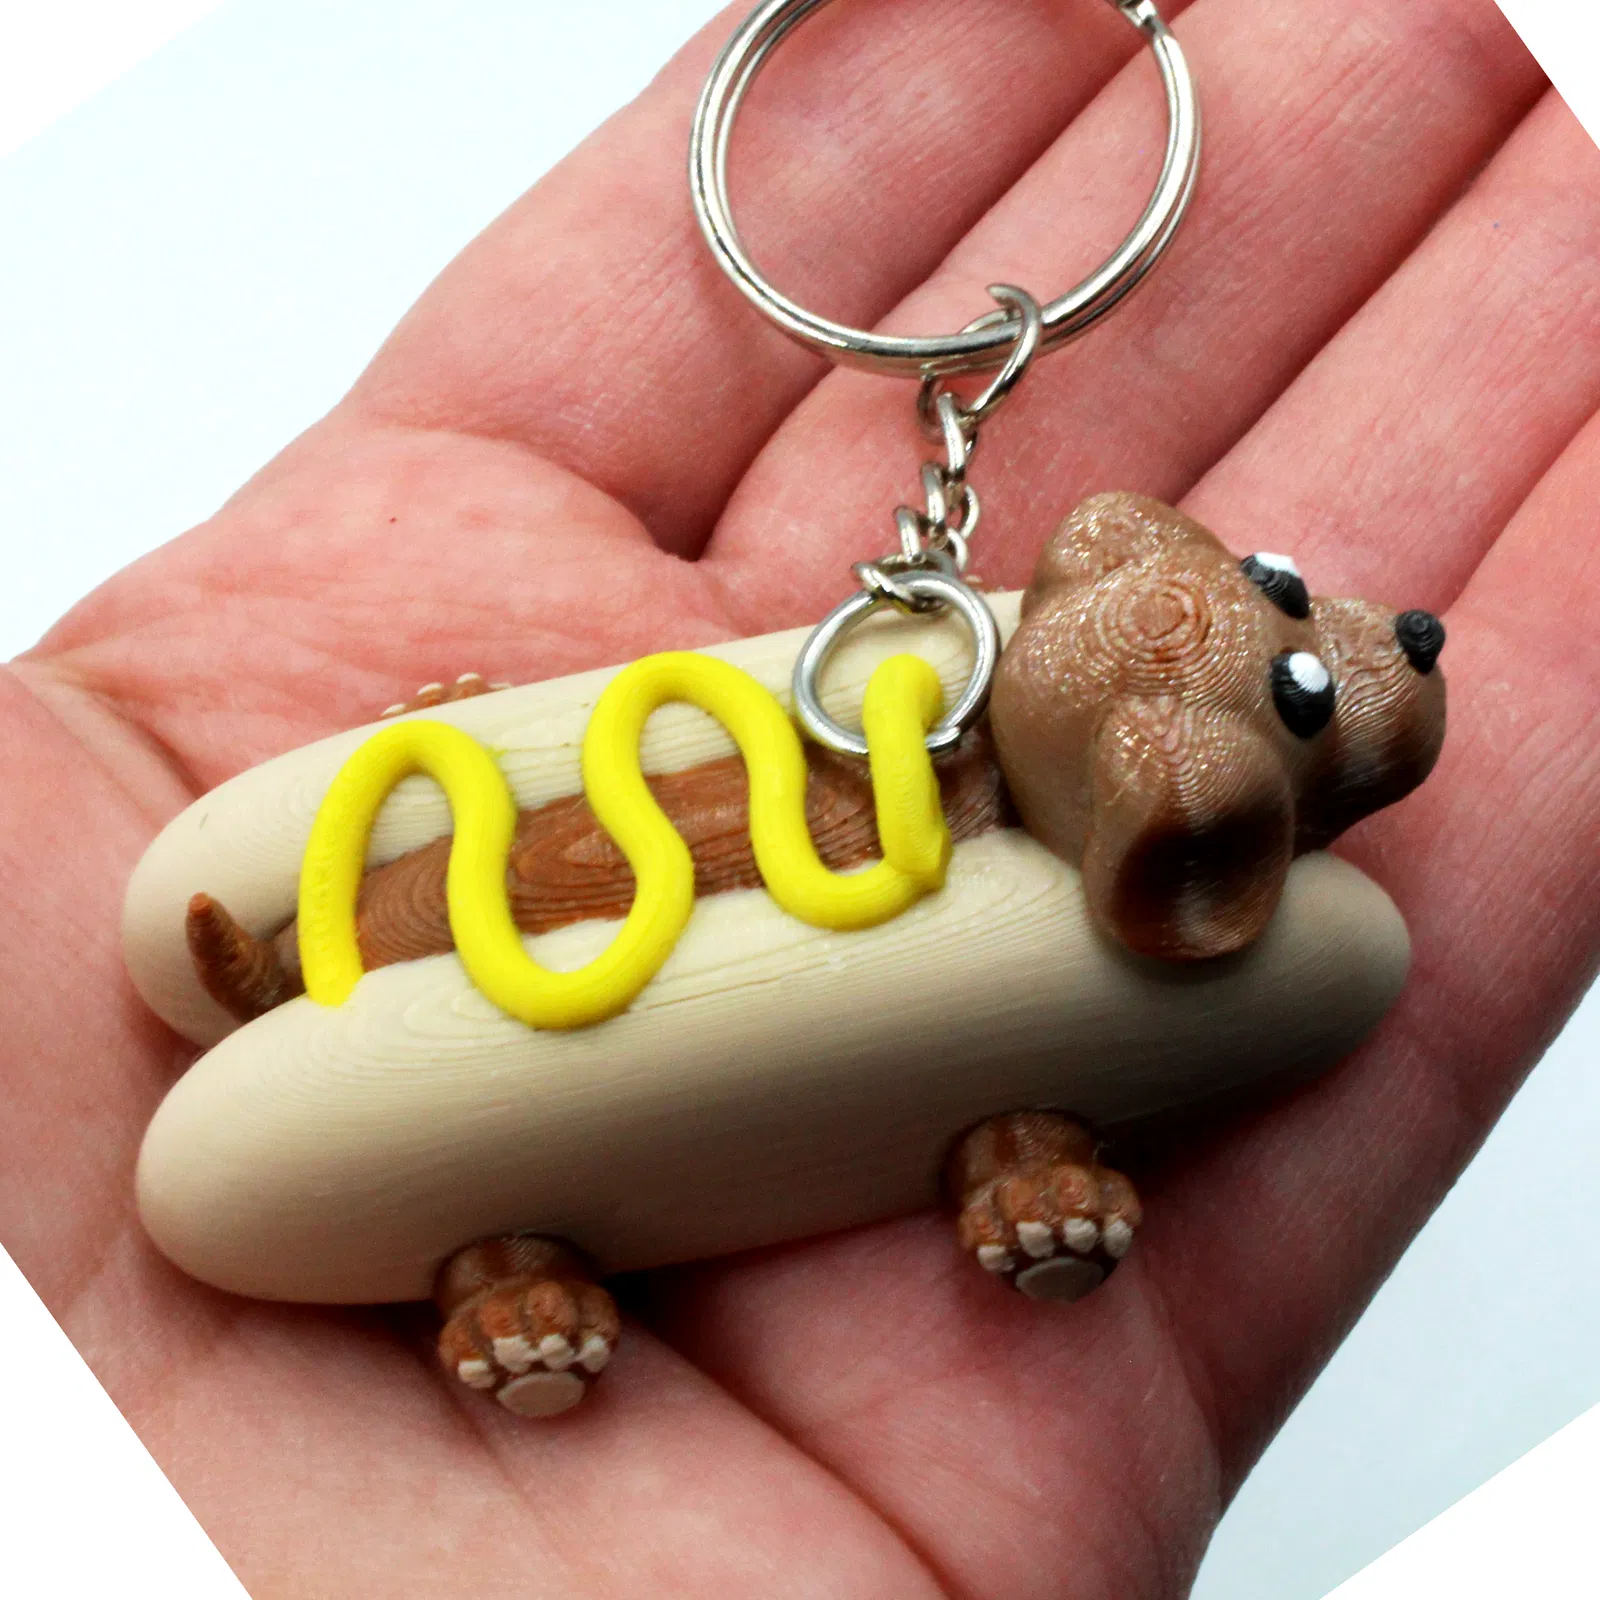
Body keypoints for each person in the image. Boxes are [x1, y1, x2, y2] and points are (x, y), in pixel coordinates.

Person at [2, 0, 1596, 1594]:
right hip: (430, 971)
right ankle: (497, 1253)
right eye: (1283, 615)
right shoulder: (1032, 724)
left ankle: (511, 1256)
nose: (1394, 633)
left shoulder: (1132, 873)